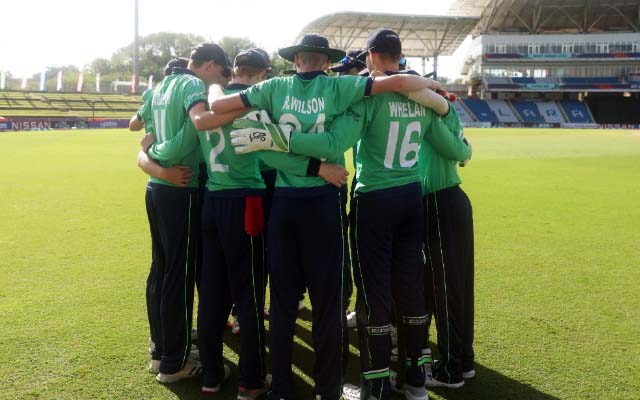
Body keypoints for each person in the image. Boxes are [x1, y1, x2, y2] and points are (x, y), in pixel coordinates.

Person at [227, 28, 465, 400]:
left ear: (370, 56)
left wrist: (277, 138)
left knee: (345, 296)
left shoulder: (290, 90)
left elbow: (323, 143)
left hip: (350, 199)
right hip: (402, 196)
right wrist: (448, 114)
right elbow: (453, 146)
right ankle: (410, 383)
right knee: (401, 289)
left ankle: (364, 385)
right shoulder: (415, 95)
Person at [137, 42, 234, 384]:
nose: (217, 83)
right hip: (182, 188)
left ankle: (161, 349)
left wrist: (153, 158)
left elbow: (138, 126)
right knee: (178, 275)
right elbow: (191, 133)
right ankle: (174, 362)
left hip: (158, 188)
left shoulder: (160, 86)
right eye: (221, 73)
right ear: (208, 65)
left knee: (161, 270)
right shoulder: (192, 84)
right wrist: (162, 155)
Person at [420, 99, 475, 389]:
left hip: (439, 203)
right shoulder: (444, 118)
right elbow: (464, 150)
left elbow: (459, 150)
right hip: (449, 203)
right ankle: (463, 361)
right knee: (455, 286)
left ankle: (451, 368)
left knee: (447, 288)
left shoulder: (429, 121)